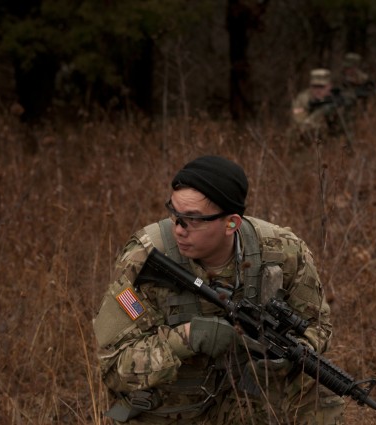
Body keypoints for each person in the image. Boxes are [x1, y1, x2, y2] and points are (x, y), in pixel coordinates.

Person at [93, 155, 345, 424]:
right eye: (173, 212)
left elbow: (317, 326)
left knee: (320, 393)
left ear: (231, 224)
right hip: (171, 407)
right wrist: (186, 338)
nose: (178, 228)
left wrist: (284, 358)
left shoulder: (282, 251)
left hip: (248, 394)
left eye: (192, 219)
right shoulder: (144, 259)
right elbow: (113, 368)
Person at [291, 68, 355, 147]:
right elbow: (301, 126)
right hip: (306, 143)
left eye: (321, 87)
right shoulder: (302, 100)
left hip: (330, 142)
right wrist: (320, 113)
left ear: (329, 86)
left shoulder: (335, 98)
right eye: (315, 86)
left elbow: (345, 128)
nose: (318, 90)